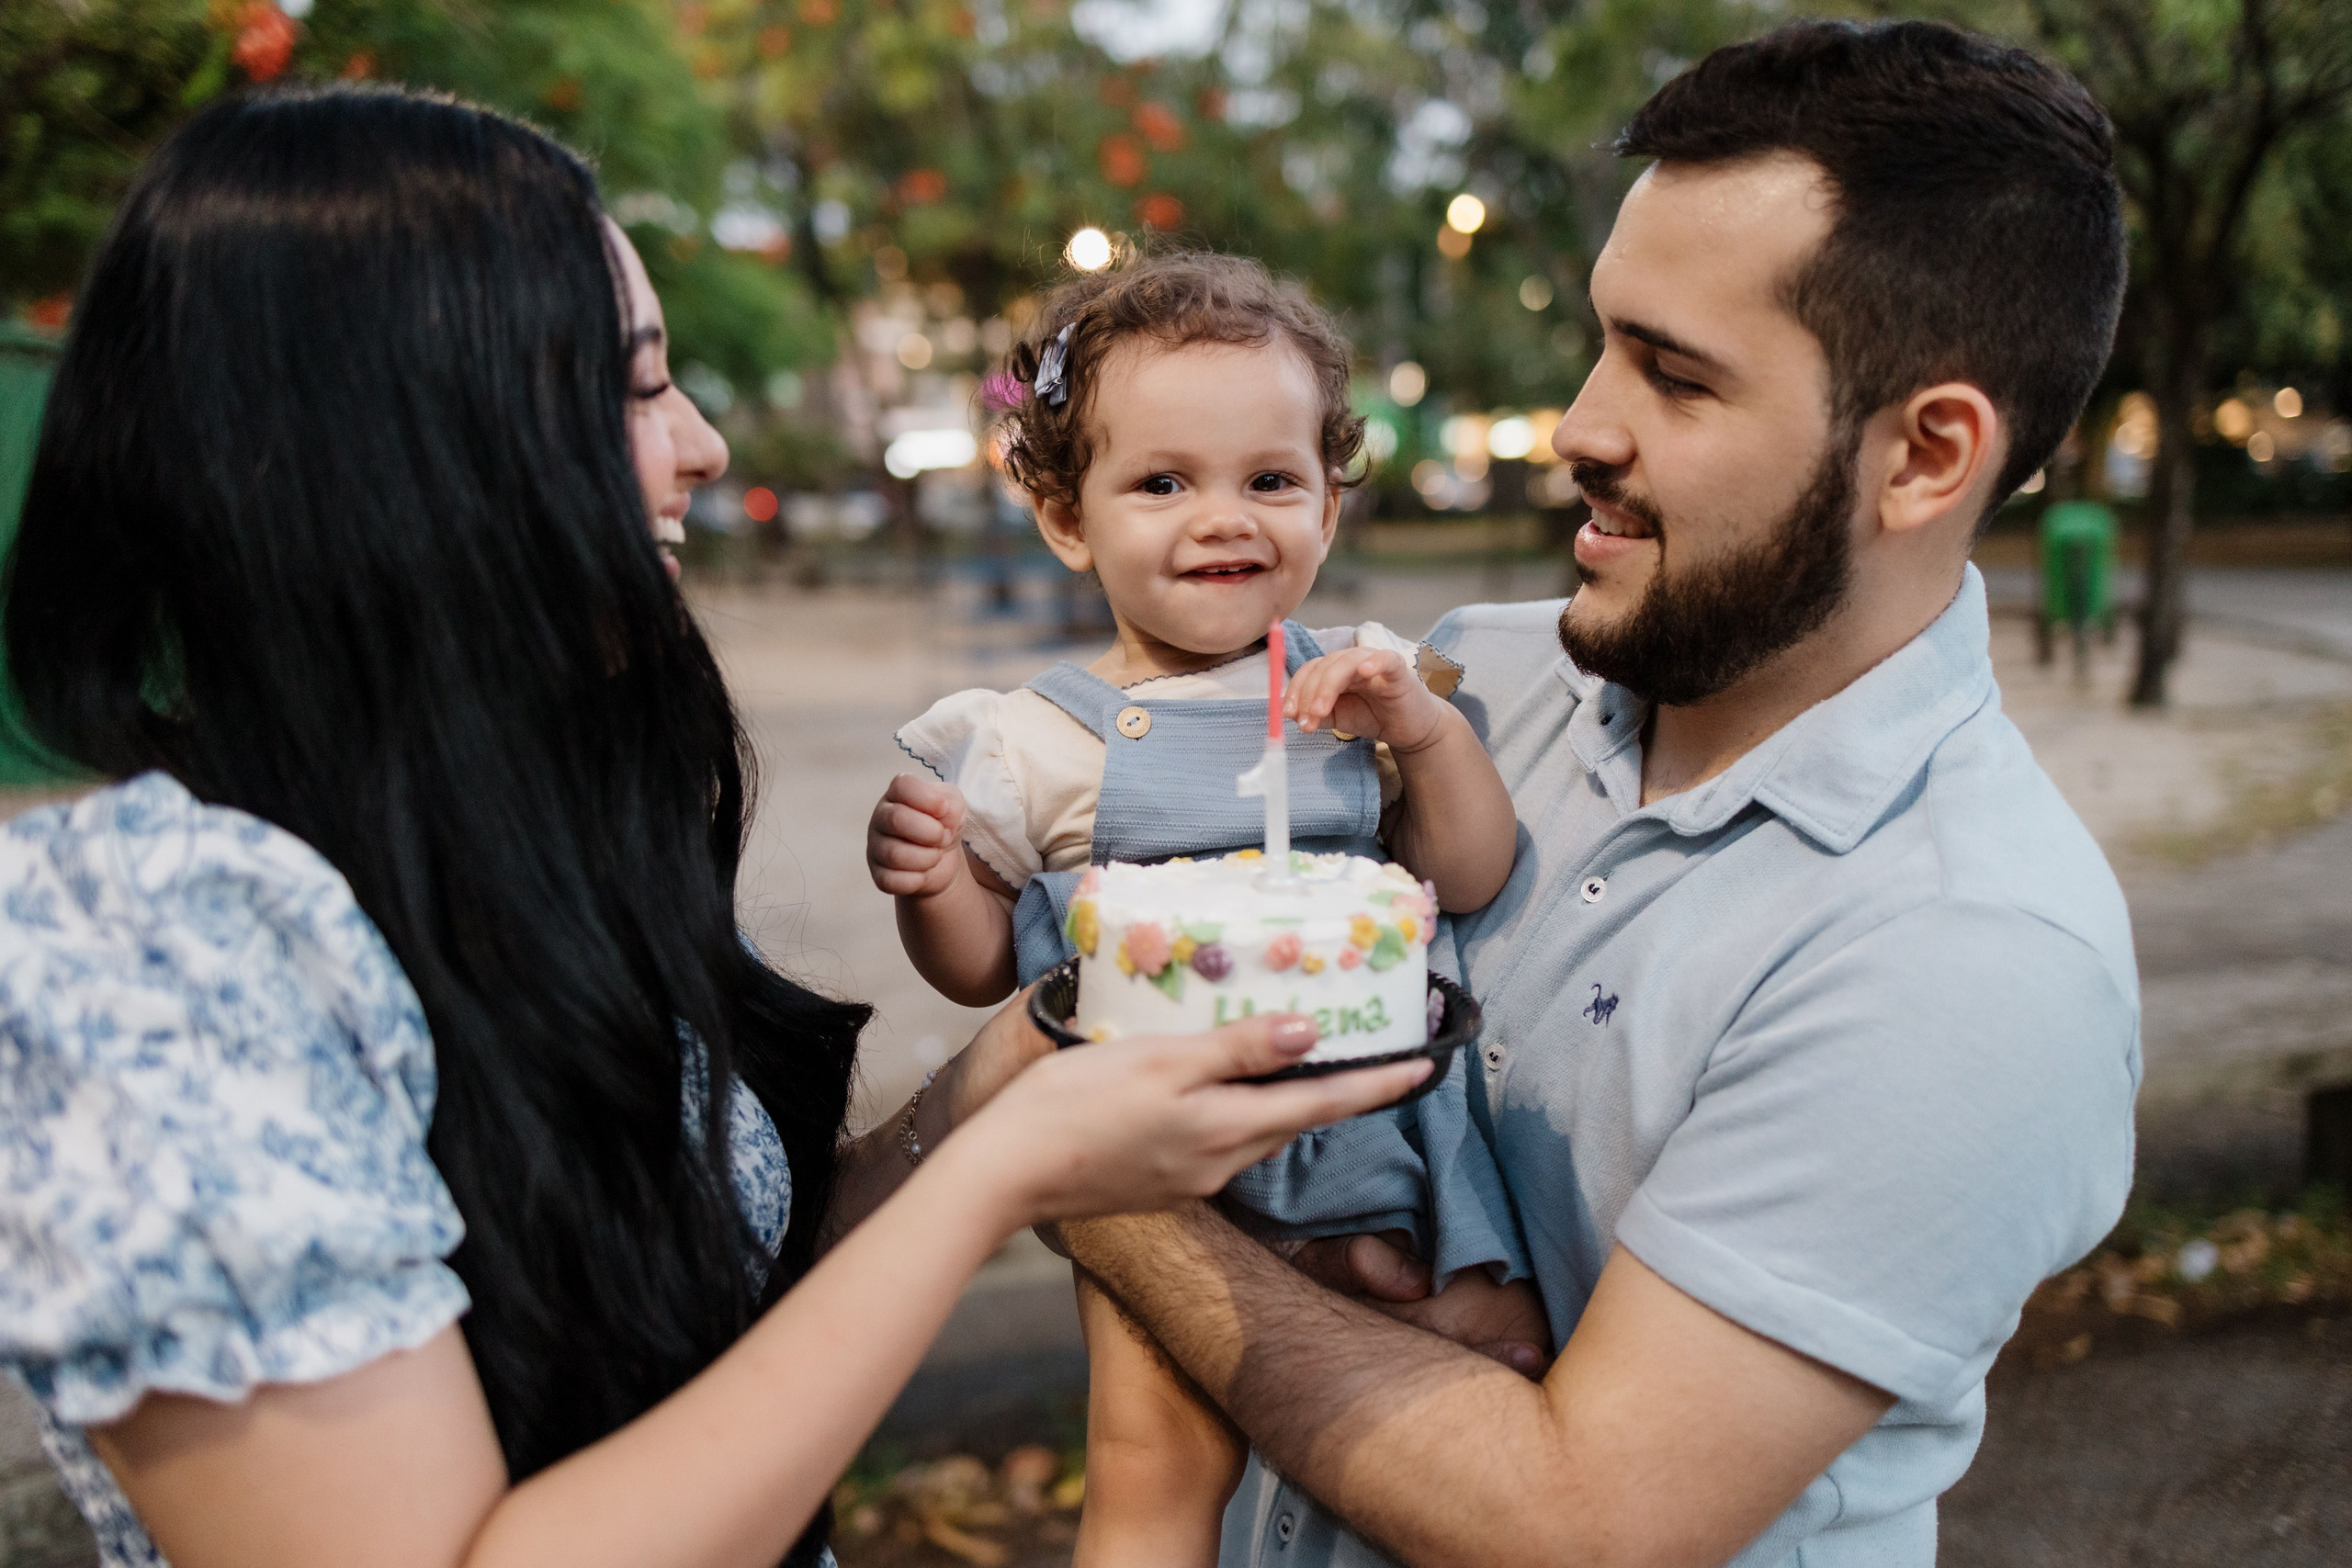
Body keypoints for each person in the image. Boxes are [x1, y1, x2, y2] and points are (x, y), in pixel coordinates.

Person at [0, 84, 1433, 1568]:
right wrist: (1004, 1179)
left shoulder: (538, 832)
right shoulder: (143, 937)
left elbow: (720, 1308)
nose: (699, 440)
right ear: (399, 445)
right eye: (632, 388)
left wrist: (1011, 1069)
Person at [1043, 20, 2144, 1568]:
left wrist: (1082, 1166)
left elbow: (1581, 1523)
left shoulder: (1971, 951)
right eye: (1606, 339)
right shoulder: (1465, 683)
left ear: (1926, 456)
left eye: (1676, 379)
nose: (1578, 424)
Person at [867, 253, 1539, 1568]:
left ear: (1331, 506)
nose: (1223, 518)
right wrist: (938, 882)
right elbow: (982, 969)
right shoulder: (1034, 740)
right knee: (1152, 1453)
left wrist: (1431, 734)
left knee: (1477, 1376)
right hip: (1156, 1162)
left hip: (1382, 1139)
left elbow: (1467, 876)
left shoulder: (1363, 687)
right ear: (1069, 517)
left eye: (1270, 480)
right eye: (1164, 482)